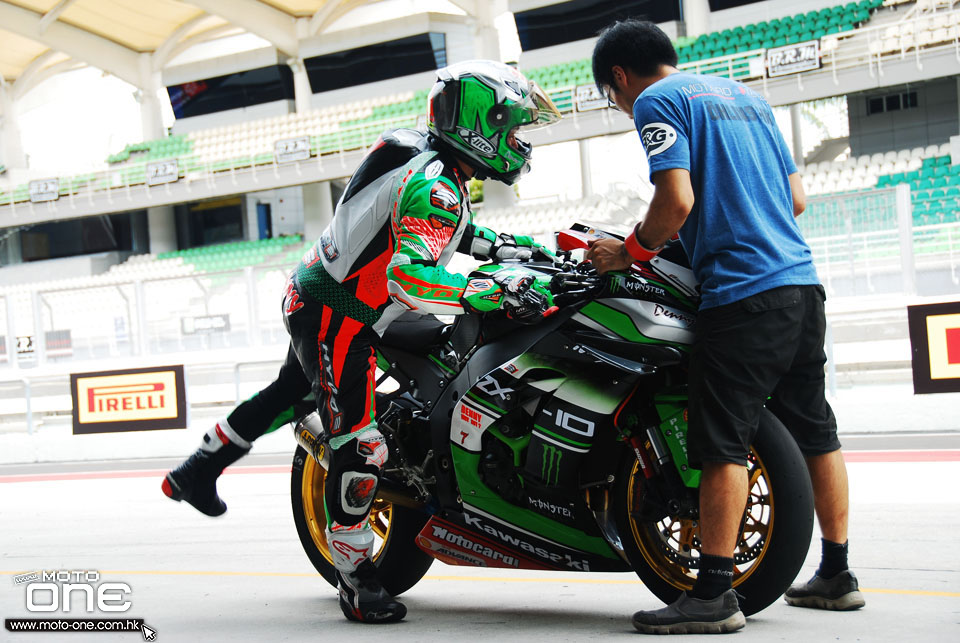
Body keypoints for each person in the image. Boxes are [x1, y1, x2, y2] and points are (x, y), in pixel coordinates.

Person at [162, 60, 561, 623]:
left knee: (288, 394)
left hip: (320, 289)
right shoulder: (434, 181)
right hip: (341, 314)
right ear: (479, 124)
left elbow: (443, 229)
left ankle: (196, 469)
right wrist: (495, 291)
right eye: (511, 127)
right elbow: (413, 277)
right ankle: (356, 577)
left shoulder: (419, 153)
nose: (518, 142)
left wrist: (519, 250)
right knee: (361, 442)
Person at [587, 20, 864, 635]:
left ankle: (712, 594)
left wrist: (627, 252)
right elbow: (795, 201)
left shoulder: (659, 100)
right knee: (816, 431)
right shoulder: (747, 98)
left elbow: (676, 201)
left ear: (620, 78)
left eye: (613, 95)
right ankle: (837, 575)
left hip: (742, 297)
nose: (620, 104)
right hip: (800, 284)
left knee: (721, 444)